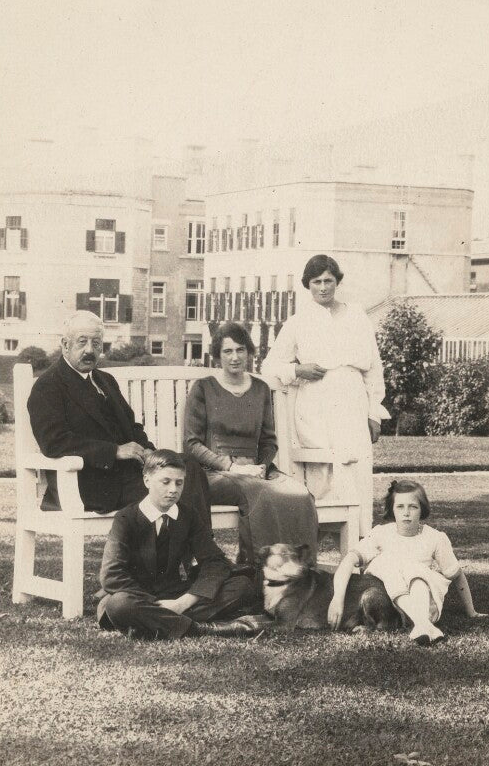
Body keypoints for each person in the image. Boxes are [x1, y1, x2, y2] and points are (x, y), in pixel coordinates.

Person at [27, 310, 209, 517]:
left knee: (187, 466)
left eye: (96, 343)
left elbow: (132, 427)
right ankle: (192, 538)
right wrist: (114, 451)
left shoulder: (105, 380)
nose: (90, 350)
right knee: (168, 489)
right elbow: (54, 442)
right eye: (82, 342)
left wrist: (149, 452)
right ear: (65, 344)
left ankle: (195, 538)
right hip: (88, 483)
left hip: (126, 476)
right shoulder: (49, 385)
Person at [261, 254, 390, 536]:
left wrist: (374, 412)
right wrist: (298, 369)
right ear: (308, 285)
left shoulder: (357, 316)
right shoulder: (298, 322)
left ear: (337, 282)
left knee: (356, 467)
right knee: (322, 473)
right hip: (315, 408)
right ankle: (315, 537)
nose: (323, 287)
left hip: (352, 403)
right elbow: (268, 366)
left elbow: (373, 367)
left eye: (328, 281)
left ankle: (358, 540)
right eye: (316, 282)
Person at [184, 321, 319, 570]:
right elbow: (192, 444)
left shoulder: (260, 389)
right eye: (227, 351)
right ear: (217, 356)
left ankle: (300, 571)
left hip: (256, 471)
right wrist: (233, 467)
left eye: (240, 350)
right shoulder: (203, 388)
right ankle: (257, 569)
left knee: (300, 494)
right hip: (214, 473)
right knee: (260, 492)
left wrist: (261, 466)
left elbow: (269, 442)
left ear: (249, 352)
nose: (235, 357)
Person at [97, 449, 262, 639]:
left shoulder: (188, 515)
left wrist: (182, 603)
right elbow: (111, 576)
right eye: (165, 482)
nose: (173, 489)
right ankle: (200, 629)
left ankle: (153, 623)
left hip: (174, 593)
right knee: (118, 605)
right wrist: (154, 603)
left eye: (179, 482)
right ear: (147, 481)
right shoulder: (126, 518)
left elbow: (215, 562)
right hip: (136, 595)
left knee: (241, 586)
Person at [328, 480, 489, 645]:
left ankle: (422, 622)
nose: (406, 513)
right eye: (400, 507)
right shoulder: (382, 534)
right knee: (385, 563)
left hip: (425, 603)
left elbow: (456, 574)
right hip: (390, 606)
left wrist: (472, 612)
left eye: (413, 507)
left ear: (422, 509)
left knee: (415, 571)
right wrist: (337, 599)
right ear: (392, 509)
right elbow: (349, 560)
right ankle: (423, 626)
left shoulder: (434, 538)